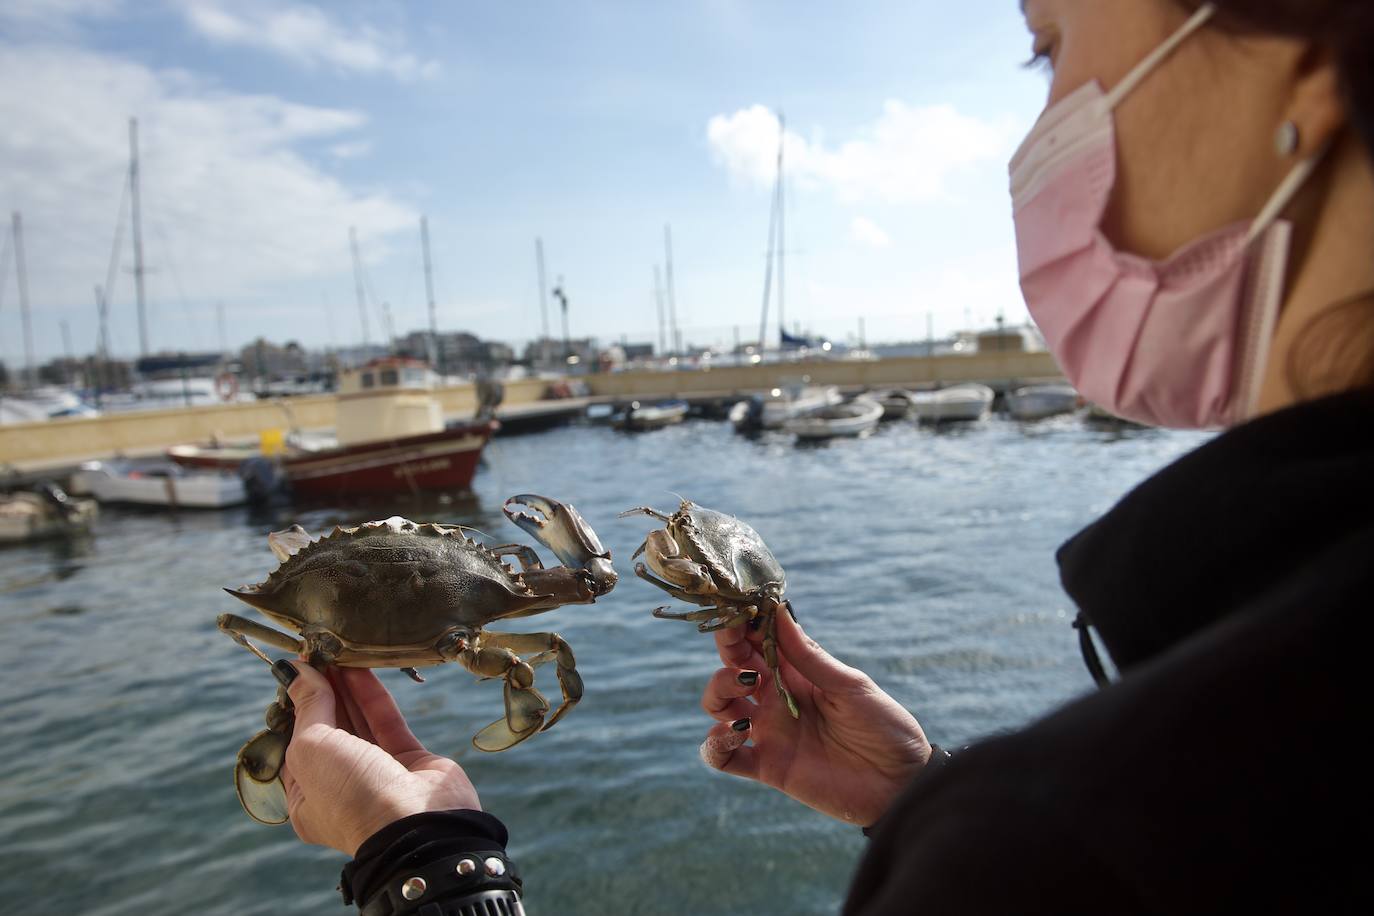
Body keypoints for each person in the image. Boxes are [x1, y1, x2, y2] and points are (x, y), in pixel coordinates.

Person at [270, 1, 1374, 911]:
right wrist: (921, 808)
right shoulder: (1237, 742)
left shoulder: (1076, 839)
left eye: (1048, 46)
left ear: (1306, 67)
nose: (1035, 133)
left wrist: (422, 863)